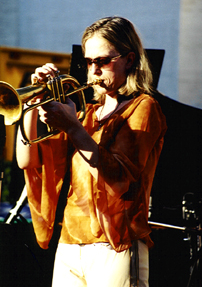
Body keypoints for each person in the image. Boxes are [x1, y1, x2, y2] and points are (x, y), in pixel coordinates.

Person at [16, 16, 167, 287]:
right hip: (70, 243)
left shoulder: (144, 107)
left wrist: (74, 128)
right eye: (89, 61)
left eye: (103, 61)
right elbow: (26, 160)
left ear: (129, 59)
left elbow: (119, 179)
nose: (94, 70)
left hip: (116, 243)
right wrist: (30, 102)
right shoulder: (88, 114)